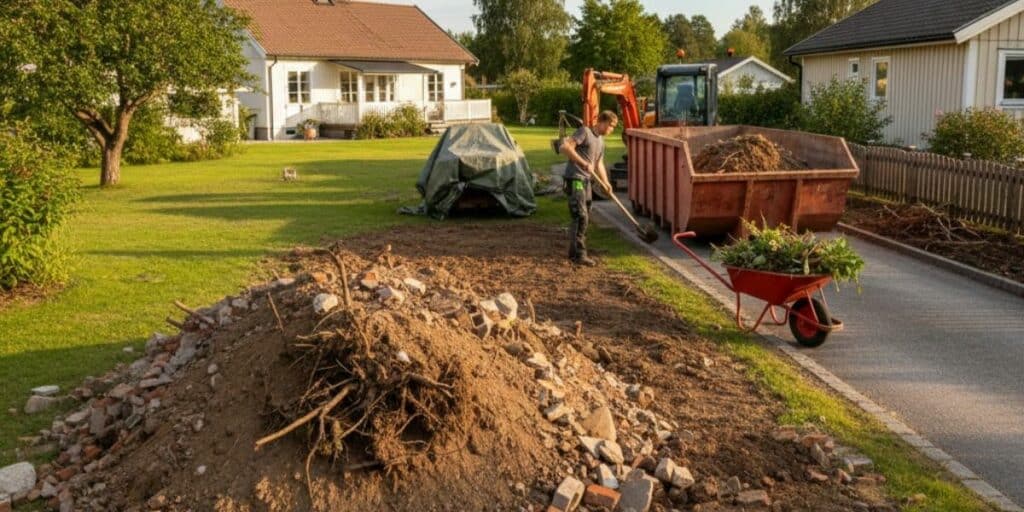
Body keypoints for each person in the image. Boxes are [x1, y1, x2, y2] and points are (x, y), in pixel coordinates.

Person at [559, 110, 618, 266]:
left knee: (584, 216)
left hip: (586, 182)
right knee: (581, 215)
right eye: (611, 126)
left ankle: (574, 252)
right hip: (575, 179)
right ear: (602, 122)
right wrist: (583, 163)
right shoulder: (584, 132)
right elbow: (565, 147)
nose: (612, 130)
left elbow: (599, 163)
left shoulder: (601, 142)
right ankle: (579, 255)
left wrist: (606, 182)